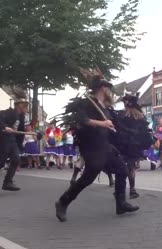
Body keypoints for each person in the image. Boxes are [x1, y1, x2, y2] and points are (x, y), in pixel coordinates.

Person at [55, 75, 139, 221]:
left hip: (106, 146)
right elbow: (81, 120)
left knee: (122, 170)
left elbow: (115, 123)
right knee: (87, 178)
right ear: (102, 88)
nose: (108, 90)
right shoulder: (88, 103)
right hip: (92, 147)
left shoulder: (105, 106)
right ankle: (63, 201)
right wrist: (102, 124)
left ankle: (121, 204)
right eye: (107, 87)